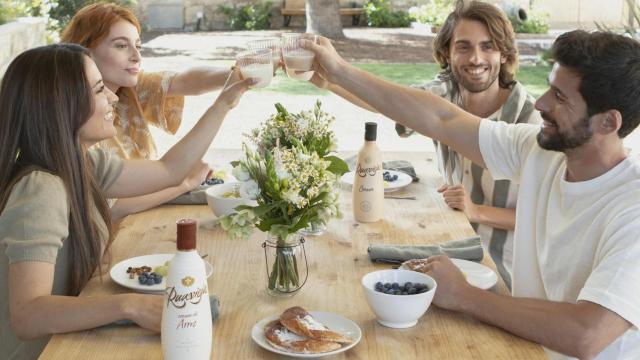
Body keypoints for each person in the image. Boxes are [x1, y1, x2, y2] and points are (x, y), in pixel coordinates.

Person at [301, 29, 640, 359]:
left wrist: (464, 296)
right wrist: (339, 72)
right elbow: (440, 118)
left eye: (561, 97)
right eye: (550, 89)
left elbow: (587, 336)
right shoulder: (542, 151)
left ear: (608, 123)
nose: (540, 103)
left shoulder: (632, 208)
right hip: (523, 345)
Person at [0, 43, 252, 359]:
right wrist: (128, 305)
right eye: (98, 90)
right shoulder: (40, 189)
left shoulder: (83, 164)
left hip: (75, 339)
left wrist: (225, 102)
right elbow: (27, 316)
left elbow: (170, 170)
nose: (114, 97)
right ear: (61, 104)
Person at [311, 1, 539, 288]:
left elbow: (545, 216)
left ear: (505, 54)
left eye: (488, 46)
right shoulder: (445, 95)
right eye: (464, 47)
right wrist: (328, 80)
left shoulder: (531, 121)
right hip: (451, 250)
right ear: (447, 53)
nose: (476, 58)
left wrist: (477, 210)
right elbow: (390, 103)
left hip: (505, 272)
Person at [61, 3, 233, 220]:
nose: (136, 56)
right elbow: (111, 207)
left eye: (138, 46)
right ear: (85, 51)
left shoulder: (127, 87)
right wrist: (184, 183)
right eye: (121, 46)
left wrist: (238, 72)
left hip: (142, 221)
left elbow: (187, 80)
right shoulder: (75, 119)